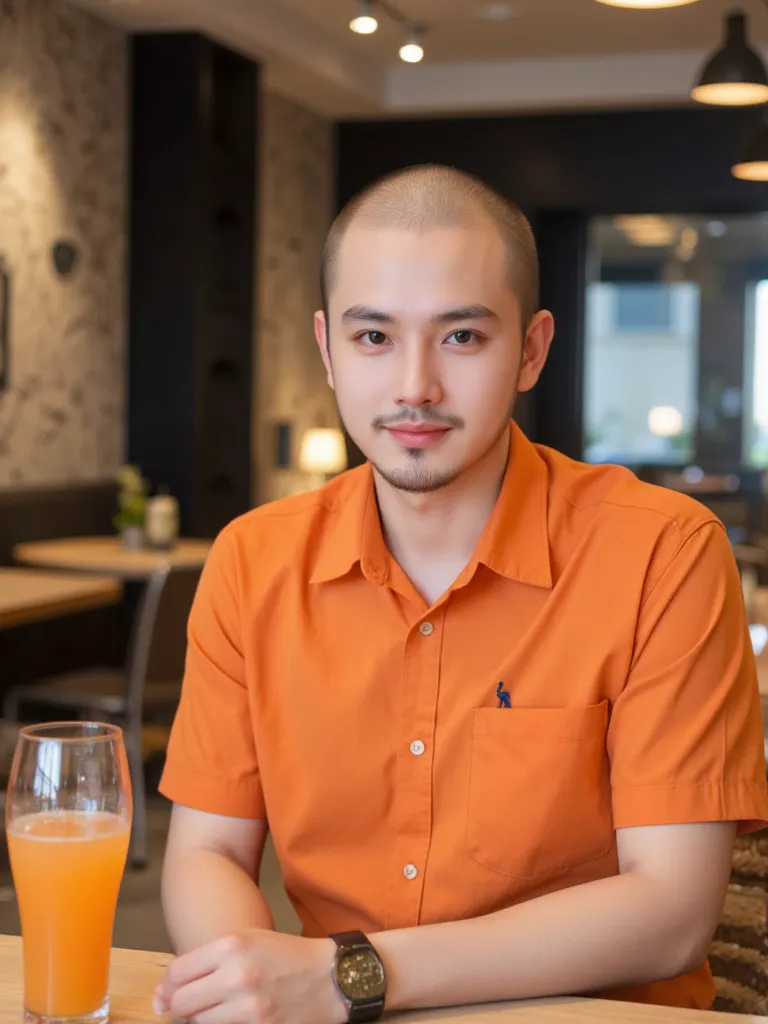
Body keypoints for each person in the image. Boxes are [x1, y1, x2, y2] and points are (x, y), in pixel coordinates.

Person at [154, 165, 768, 1024]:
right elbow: (208, 851)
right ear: (328, 350)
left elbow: (672, 911)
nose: (414, 387)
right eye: (375, 339)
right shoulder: (252, 561)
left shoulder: (663, 552)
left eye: (461, 338)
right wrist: (245, 985)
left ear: (532, 349)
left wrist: (347, 978)